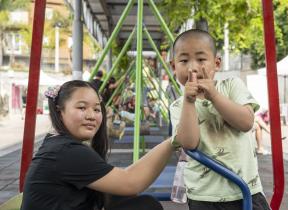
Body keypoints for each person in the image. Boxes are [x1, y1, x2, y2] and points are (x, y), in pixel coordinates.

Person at [21, 80, 175, 210]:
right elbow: (131, 182)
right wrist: (173, 142)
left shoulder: (56, 143)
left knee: (124, 198)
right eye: (81, 107)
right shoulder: (66, 151)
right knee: (146, 205)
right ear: (59, 111)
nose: (91, 116)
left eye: (96, 109)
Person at [169, 29, 270, 210]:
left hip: (246, 190)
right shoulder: (178, 106)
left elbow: (246, 122)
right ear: (173, 67)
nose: (192, 67)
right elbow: (189, 143)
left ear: (216, 63)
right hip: (203, 196)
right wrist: (189, 102)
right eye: (184, 61)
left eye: (201, 59)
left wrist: (214, 96)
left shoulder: (231, 86)